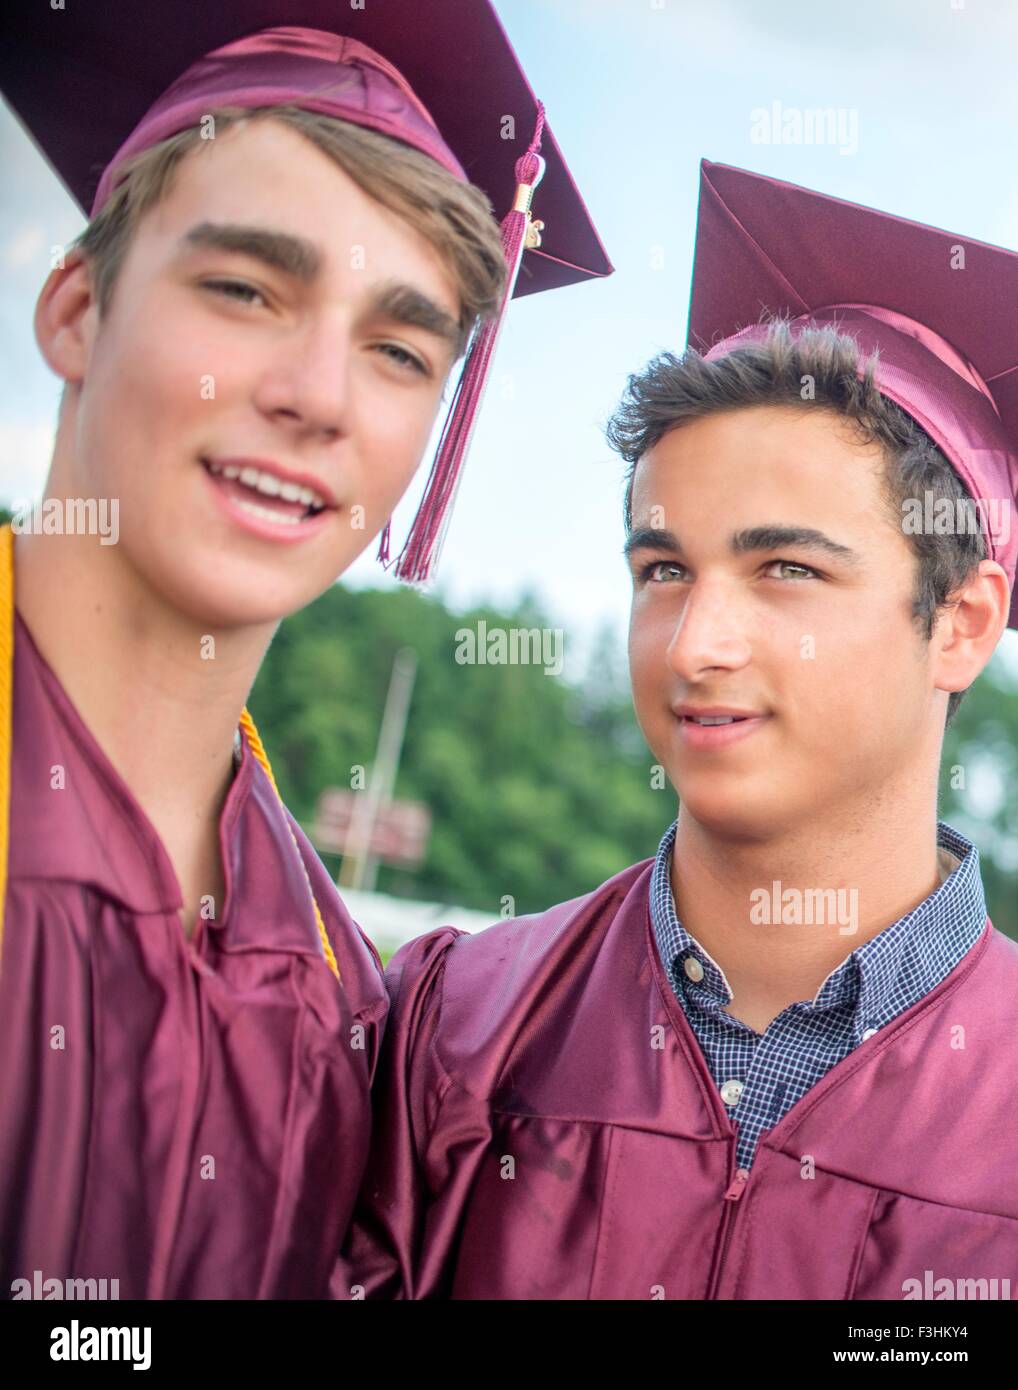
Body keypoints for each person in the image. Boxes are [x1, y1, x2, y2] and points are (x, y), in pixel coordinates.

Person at [0, 6, 610, 1299]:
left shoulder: (343, 996)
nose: (318, 396)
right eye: (243, 290)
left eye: (397, 350)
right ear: (74, 309)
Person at [344, 161, 1018, 1300]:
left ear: (959, 624)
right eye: (663, 569)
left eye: (786, 568)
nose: (695, 643)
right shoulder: (450, 1029)